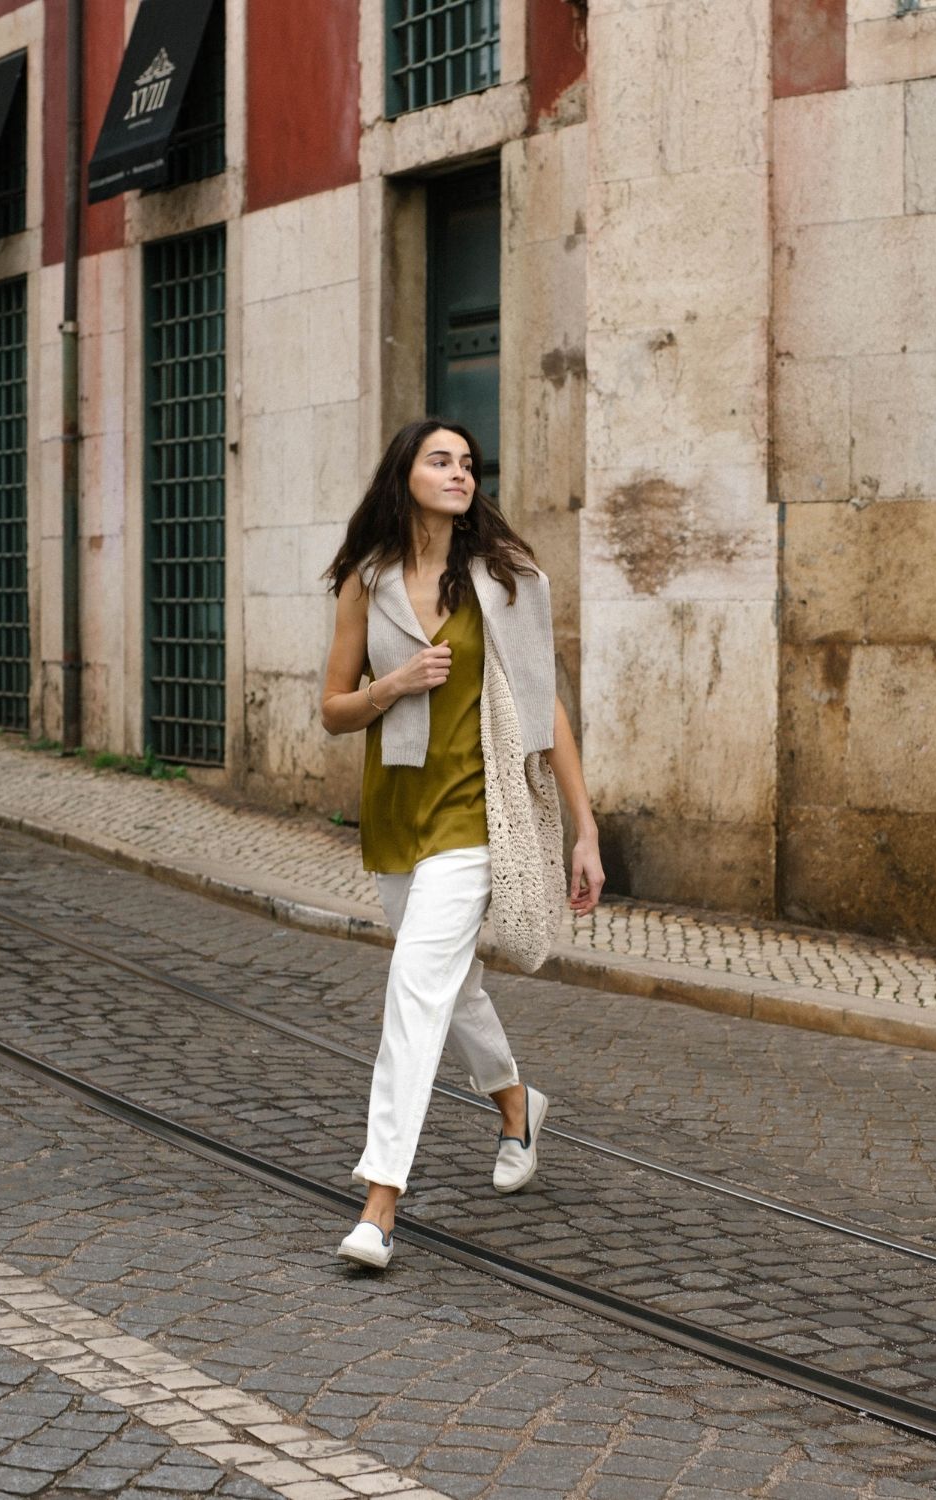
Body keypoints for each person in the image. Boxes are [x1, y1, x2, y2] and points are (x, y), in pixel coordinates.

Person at [320, 418, 604, 1269]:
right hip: (398, 815)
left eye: (469, 464)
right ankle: (517, 1102)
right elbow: (333, 708)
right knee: (453, 985)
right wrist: (394, 685)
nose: (459, 474)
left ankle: (379, 1205)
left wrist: (584, 829)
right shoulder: (365, 584)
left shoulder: (505, 583)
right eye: (441, 460)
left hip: (478, 821)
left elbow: (543, 707)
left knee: (414, 990)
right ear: (403, 473)